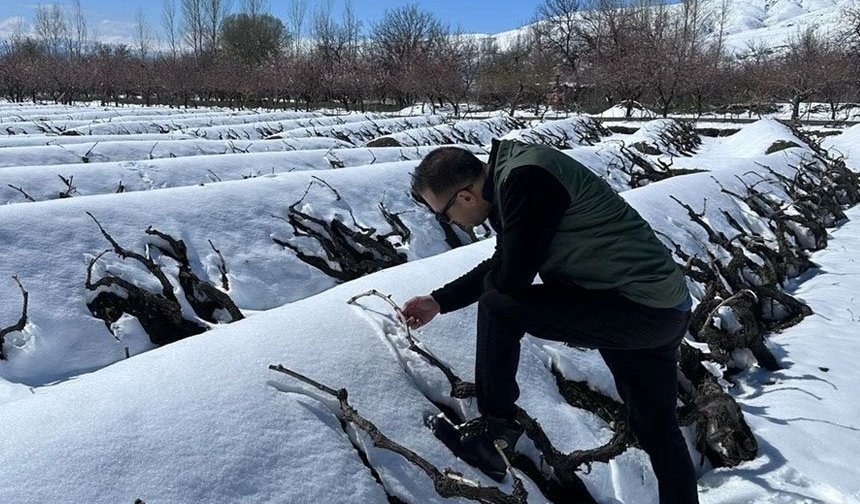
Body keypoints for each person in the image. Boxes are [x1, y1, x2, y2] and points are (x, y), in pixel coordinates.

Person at [401, 139, 699, 503]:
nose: (447, 222)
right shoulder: (518, 171)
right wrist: (439, 301)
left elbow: (512, 277)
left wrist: (484, 288)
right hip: (659, 306)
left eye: (443, 214)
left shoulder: (526, 180)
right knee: (656, 427)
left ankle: (494, 435)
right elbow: (507, 260)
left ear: (464, 197)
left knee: (498, 305)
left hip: (634, 306)